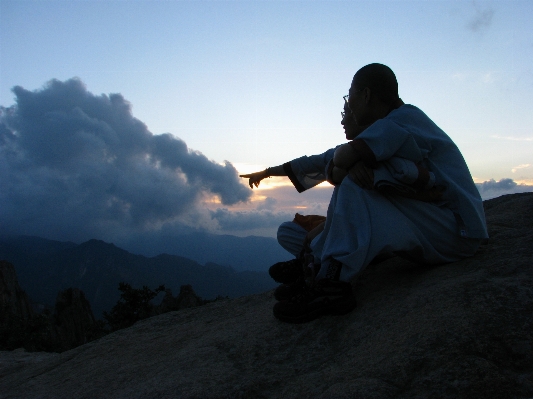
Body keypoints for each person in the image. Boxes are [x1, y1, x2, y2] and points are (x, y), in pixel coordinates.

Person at [240, 63, 488, 324]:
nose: (349, 104)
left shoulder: (402, 121)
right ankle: (319, 266)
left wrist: (350, 162)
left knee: (356, 185)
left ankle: (331, 284)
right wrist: (268, 172)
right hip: (438, 226)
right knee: (351, 185)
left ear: (366, 95)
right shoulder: (391, 127)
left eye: (350, 96)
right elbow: (322, 161)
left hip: (456, 229)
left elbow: (344, 157)